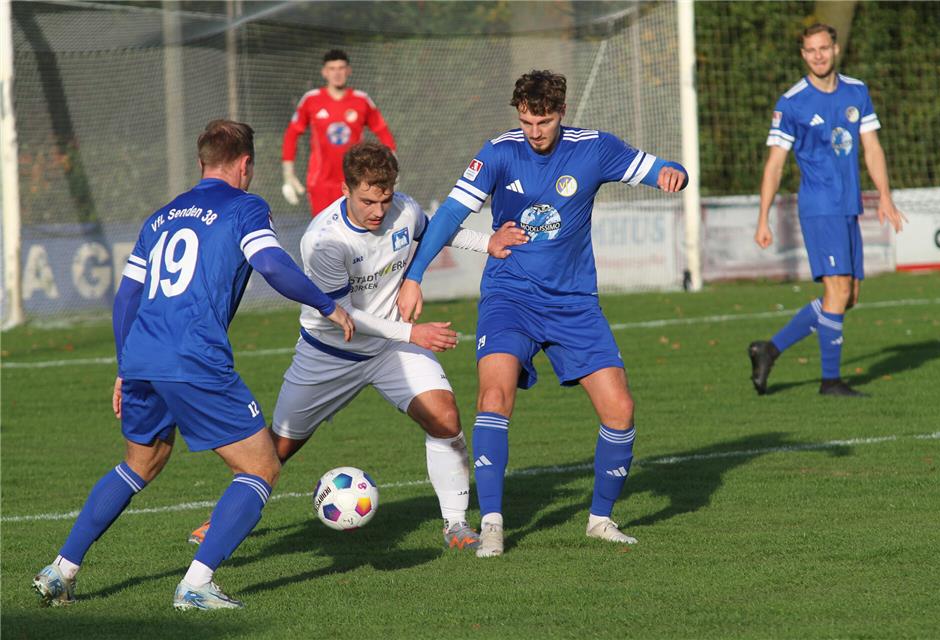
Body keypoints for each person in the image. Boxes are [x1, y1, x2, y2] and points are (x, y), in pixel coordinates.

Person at [32, 120, 354, 610]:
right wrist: (327, 303)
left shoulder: (160, 217)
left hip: (143, 352)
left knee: (141, 462)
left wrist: (125, 366)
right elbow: (270, 265)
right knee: (261, 466)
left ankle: (61, 569)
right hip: (194, 355)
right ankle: (196, 584)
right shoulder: (245, 207)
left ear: (201, 161)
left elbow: (126, 298)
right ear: (245, 164)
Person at [396, 70, 688, 557]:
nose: (535, 131)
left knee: (620, 409)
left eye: (545, 121)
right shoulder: (498, 152)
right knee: (494, 396)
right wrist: (414, 275)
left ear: (562, 114)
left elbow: (656, 166)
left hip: (574, 304)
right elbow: (449, 214)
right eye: (528, 120)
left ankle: (600, 520)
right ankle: (491, 525)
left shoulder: (594, 148)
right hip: (510, 297)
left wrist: (671, 173)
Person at [187, 140, 528, 550]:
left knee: (445, 418)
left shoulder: (404, 209)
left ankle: (455, 525)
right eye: (367, 200)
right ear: (346, 189)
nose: (378, 211)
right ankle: (222, 518)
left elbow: (437, 228)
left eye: (384, 200)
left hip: (390, 351)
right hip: (328, 354)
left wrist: (486, 241)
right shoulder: (324, 240)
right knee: (275, 449)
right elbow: (347, 318)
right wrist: (412, 333)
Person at [749, 23, 906, 397]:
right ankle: (830, 381)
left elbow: (872, 147)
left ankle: (768, 349)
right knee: (836, 291)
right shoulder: (792, 103)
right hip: (819, 207)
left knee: (849, 296)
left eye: (823, 48)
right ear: (803, 55)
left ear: (835, 49)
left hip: (849, 205)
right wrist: (763, 216)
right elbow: (774, 165)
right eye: (810, 50)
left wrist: (884, 195)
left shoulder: (857, 91)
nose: (817, 55)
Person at [281, 49, 396, 215]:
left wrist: (391, 166)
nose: (337, 73)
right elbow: (291, 134)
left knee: (358, 233)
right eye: (332, 68)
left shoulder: (361, 99)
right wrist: (288, 175)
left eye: (341, 68)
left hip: (356, 180)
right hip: (321, 182)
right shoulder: (311, 99)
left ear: (349, 70)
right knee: (323, 233)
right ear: (324, 72)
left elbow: (383, 132)